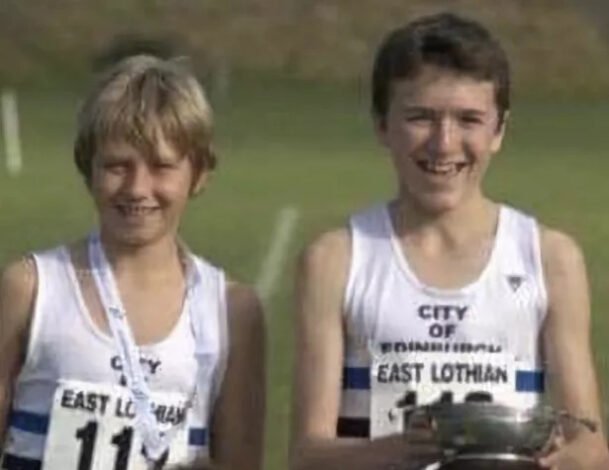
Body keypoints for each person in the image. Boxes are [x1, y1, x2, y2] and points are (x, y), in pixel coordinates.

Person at [290, 12, 609, 470]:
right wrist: (400, 450)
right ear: (381, 124)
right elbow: (307, 455)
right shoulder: (335, 260)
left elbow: (591, 447)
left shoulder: (549, 258)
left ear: (499, 130)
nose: (444, 143)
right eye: (420, 117)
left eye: (469, 119)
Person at [0, 55, 265, 469]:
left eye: (161, 166)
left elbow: (241, 461)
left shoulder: (231, 310)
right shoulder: (30, 289)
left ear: (198, 173)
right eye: (116, 166)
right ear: (88, 169)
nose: (137, 187)